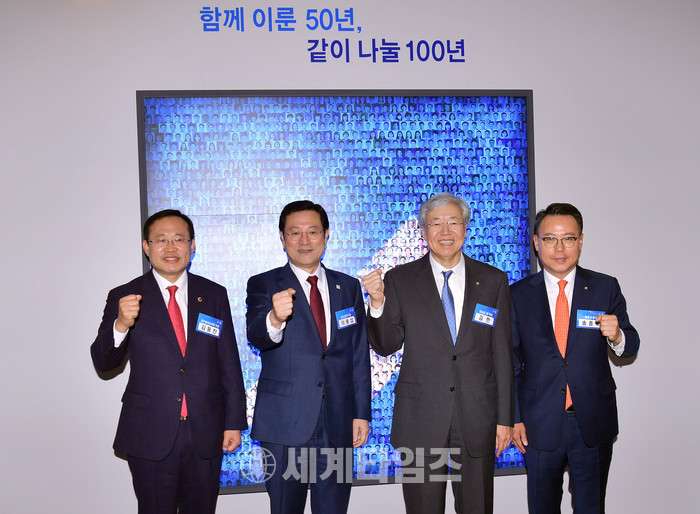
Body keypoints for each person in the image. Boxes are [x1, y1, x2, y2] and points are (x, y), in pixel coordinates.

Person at [362, 192, 514, 514]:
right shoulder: (400, 279)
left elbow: (502, 355)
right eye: (436, 224)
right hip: (420, 421)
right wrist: (377, 303)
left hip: (478, 421)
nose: (445, 231)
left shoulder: (493, 281)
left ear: (466, 228)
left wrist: (505, 420)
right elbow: (386, 345)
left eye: (453, 222)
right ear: (423, 231)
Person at [90, 209, 247, 513]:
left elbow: (228, 361)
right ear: (146, 247)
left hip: (206, 430)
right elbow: (103, 362)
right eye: (161, 240)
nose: (171, 247)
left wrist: (233, 423)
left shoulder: (213, 294)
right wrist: (120, 325)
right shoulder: (125, 296)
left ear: (192, 245)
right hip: (150, 431)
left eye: (179, 239)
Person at [510, 203, 640, 513]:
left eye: (568, 238)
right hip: (538, 423)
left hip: (592, 422)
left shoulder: (605, 287)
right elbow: (510, 362)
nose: (559, 248)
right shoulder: (517, 294)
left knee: (591, 507)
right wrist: (514, 417)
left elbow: (631, 343)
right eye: (550, 239)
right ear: (536, 242)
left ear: (580, 241)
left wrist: (617, 336)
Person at [246, 200, 371, 514]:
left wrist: (361, 413)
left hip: (338, 422)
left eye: (313, 232)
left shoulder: (348, 286)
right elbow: (257, 336)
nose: (304, 241)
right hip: (285, 423)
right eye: (295, 233)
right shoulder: (264, 284)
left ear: (326, 235)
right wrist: (275, 318)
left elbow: (357, 353)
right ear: (282, 237)